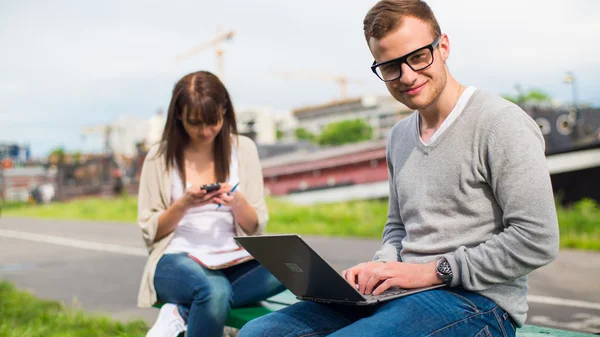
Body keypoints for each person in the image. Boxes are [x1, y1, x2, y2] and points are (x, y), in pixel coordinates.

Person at [239, 1, 559, 336]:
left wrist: (432, 272)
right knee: (258, 333)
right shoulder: (399, 136)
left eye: (419, 56)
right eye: (390, 66)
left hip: (479, 304)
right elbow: (397, 227)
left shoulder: (501, 123)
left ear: (444, 46)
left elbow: (537, 239)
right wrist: (380, 266)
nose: (407, 76)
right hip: (402, 293)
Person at [136, 70, 286, 337]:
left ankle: (180, 313)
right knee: (212, 291)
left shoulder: (244, 149)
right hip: (176, 258)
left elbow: (254, 227)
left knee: (289, 265)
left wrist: (236, 200)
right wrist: (184, 204)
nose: (205, 131)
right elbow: (151, 232)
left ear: (225, 112)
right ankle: (198, 305)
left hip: (233, 258)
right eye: (195, 123)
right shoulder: (158, 158)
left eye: (213, 121)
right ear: (179, 116)